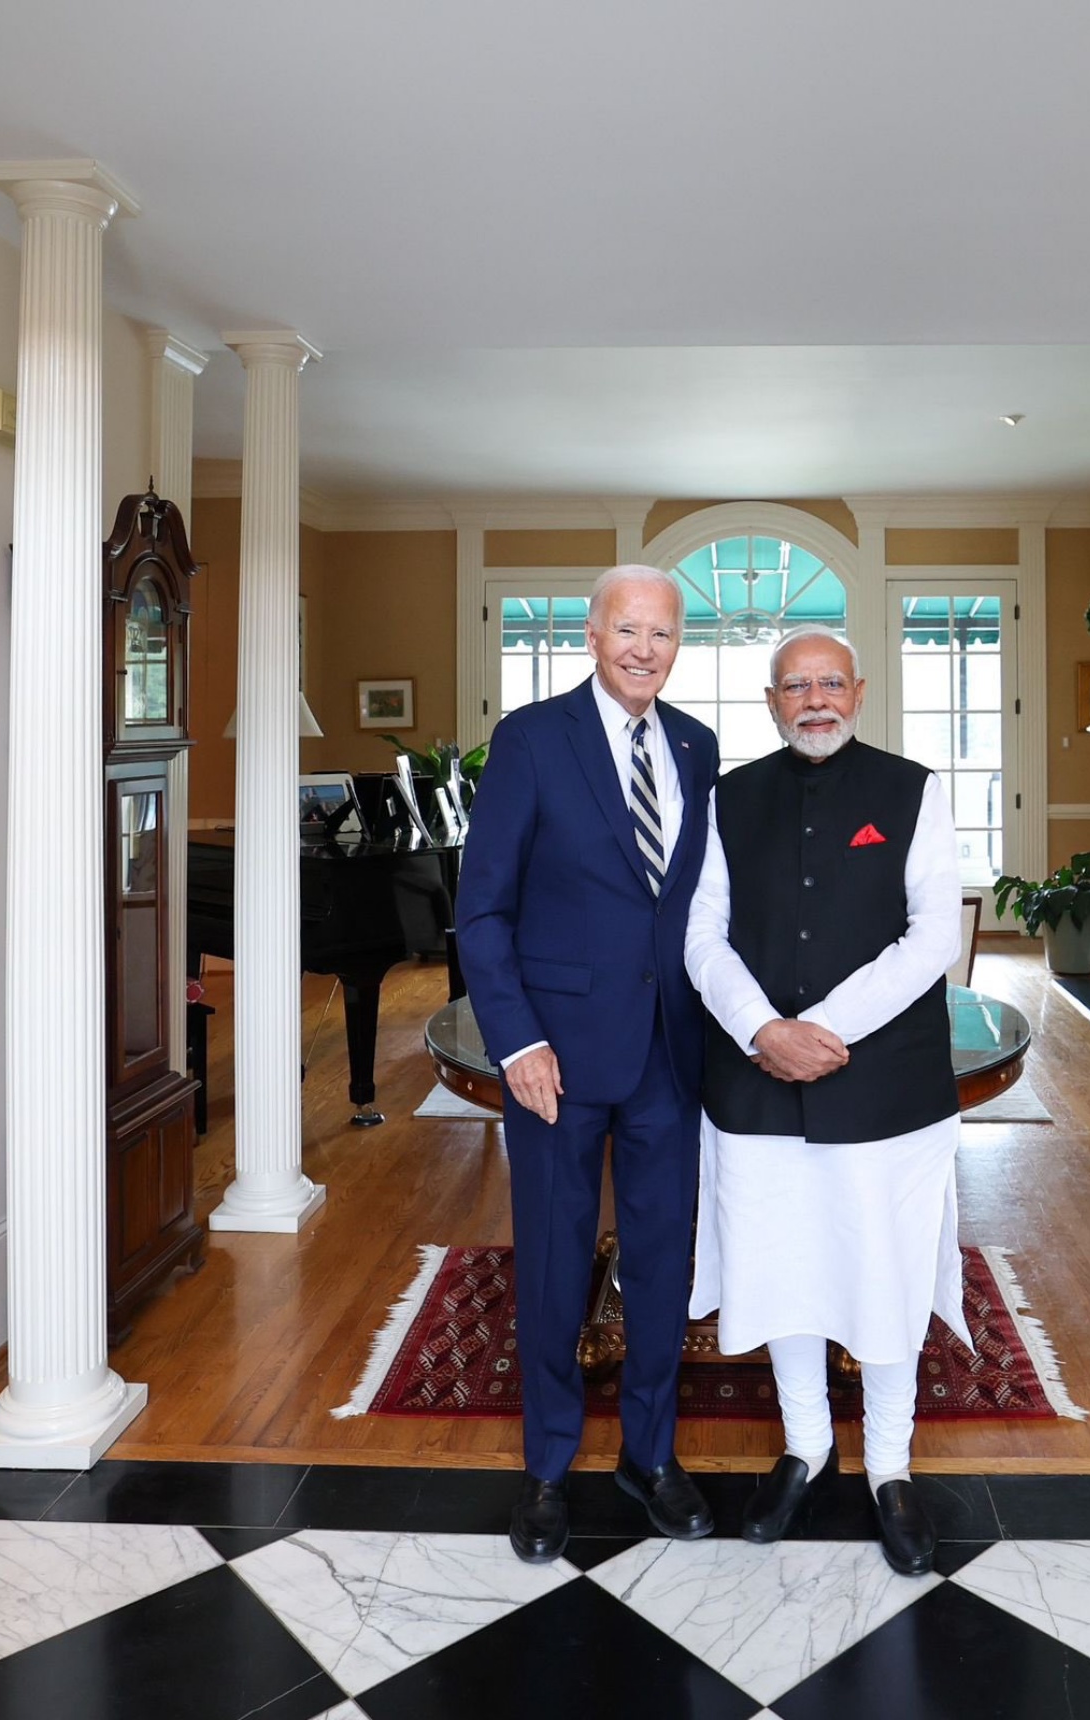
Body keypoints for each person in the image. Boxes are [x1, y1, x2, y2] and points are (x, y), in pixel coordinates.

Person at [685, 623, 965, 1575]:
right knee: (782, 1267)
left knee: (881, 1269)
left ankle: (891, 1467)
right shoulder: (729, 798)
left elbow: (933, 937)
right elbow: (701, 936)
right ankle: (807, 1447)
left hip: (885, 1085)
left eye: (831, 683)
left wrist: (824, 1030)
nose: (815, 700)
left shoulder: (913, 790)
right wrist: (766, 1031)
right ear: (772, 701)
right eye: (795, 685)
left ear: (859, 690)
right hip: (752, 1079)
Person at [457, 564, 720, 1563]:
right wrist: (517, 1040)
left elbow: (693, 902)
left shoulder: (696, 744)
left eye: (662, 633)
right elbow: (482, 910)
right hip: (553, 1060)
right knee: (558, 1265)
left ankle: (649, 1456)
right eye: (628, 629)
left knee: (661, 1265)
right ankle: (547, 1468)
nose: (644, 648)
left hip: (670, 1052)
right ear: (591, 632)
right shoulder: (530, 740)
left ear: (676, 643)